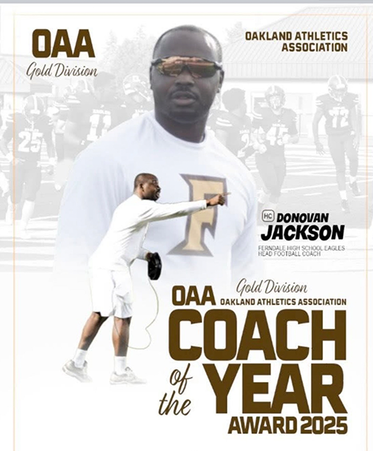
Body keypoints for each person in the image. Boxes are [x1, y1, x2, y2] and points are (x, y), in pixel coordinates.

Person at [54, 25, 259, 288]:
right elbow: (71, 274)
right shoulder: (104, 160)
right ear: (151, 76)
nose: (185, 78)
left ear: (220, 80)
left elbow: (247, 283)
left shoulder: (238, 175)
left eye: (201, 67)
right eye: (171, 66)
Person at [62, 173, 226, 383]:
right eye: (154, 185)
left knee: (101, 315)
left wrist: (147, 255)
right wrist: (208, 202)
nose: (158, 188)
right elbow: (173, 210)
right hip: (112, 268)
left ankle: (76, 364)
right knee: (121, 317)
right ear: (141, 186)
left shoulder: (129, 207)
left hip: (104, 264)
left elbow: (128, 245)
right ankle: (119, 373)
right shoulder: (140, 207)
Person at [0, 95, 56, 238]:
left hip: (34, 164)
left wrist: (51, 162)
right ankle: (11, 209)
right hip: (17, 163)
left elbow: (49, 143)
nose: (33, 119)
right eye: (30, 115)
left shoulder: (45, 121)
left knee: (31, 195)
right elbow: (2, 143)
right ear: (25, 111)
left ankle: (23, 227)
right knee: (15, 196)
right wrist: (11, 158)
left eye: (36, 116)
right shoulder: (16, 120)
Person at [312, 75, 361, 213]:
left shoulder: (350, 98)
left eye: (342, 90)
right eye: (337, 90)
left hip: (347, 134)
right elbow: (315, 121)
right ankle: (344, 200)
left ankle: (353, 180)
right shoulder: (323, 101)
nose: (340, 93)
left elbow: (353, 117)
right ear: (331, 90)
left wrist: (357, 135)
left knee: (353, 157)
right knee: (340, 168)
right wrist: (317, 141)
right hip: (333, 137)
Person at [251, 85, 298, 208]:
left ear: (282, 98)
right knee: (272, 184)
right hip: (264, 155)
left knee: (277, 188)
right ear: (267, 100)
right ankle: (259, 205)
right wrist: (257, 144)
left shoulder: (289, 114)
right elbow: (251, 131)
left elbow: (296, 136)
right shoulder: (261, 112)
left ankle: (266, 214)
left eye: (277, 97)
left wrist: (290, 139)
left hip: (279, 156)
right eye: (272, 97)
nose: (275, 100)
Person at [213, 87, 253, 160]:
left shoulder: (247, 119)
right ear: (240, 104)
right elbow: (220, 149)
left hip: (241, 162)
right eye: (244, 101)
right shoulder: (225, 119)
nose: (246, 104)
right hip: (229, 164)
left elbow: (246, 145)